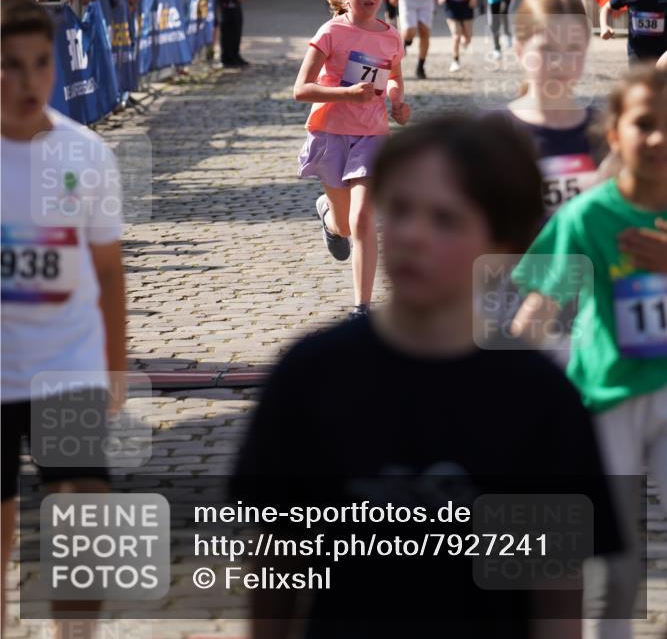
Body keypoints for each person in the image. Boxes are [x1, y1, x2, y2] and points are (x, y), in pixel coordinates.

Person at [234, 113, 623, 639]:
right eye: (399, 210)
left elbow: (555, 587)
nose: (413, 235)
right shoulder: (311, 376)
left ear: (504, 244)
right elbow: (275, 568)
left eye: (445, 219)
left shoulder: (540, 398)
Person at [511, 66, 667, 639]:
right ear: (615, 134)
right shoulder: (589, 216)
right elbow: (538, 309)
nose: (658, 139)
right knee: (615, 558)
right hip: (609, 395)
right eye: (644, 124)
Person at [1, 0, 126, 637]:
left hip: (67, 370)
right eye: (10, 66)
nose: (28, 81)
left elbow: (107, 269)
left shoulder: (83, 153)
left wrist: (115, 366)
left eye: (41, 63)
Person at [294, 0, 409, 318]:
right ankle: (328, 215)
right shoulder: (331, 33)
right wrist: (346, 94)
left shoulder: (391, 38)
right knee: (344, 225)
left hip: (372, 135)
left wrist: (397, 103)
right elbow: (301, 89)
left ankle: (362, 308)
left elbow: (394, 78)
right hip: (331, 132)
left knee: (363, 220)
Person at [506, 0, 600, 217]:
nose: (561, 62)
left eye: (573, 49)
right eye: (547, 48)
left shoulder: (607, 133)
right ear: (520, 51)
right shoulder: (491, 134)